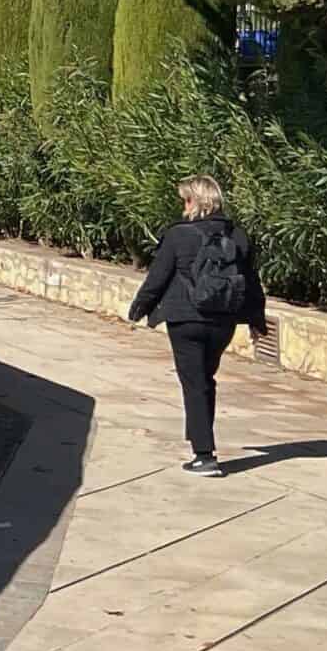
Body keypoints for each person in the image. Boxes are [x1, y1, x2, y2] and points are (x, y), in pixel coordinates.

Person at [128, 174, 271, 476]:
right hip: (223, 321)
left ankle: (204, 455)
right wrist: (256, 321)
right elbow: (252, 282)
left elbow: (157, 278)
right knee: (205, 380)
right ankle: (200, 441)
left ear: (195, 201)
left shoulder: (178, 235)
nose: (183, 206)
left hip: (186, 319)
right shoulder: (238, 235)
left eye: (185, 200)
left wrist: (138, 310)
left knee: (194, 384)